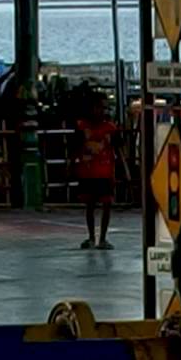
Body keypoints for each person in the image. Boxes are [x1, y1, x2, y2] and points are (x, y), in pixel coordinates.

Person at [71, 93, 121, 250]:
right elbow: (75, 148)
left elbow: (118, 149)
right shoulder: (82, 127)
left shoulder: (111, 128)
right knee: (90, 205)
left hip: (105, 171)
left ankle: (103, 238)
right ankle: (92, 237)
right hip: (88, 172)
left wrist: (122, 169)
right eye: (99, 107)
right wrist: (72, 165)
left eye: (104, 107)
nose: (102, 111)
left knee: (107, 204)